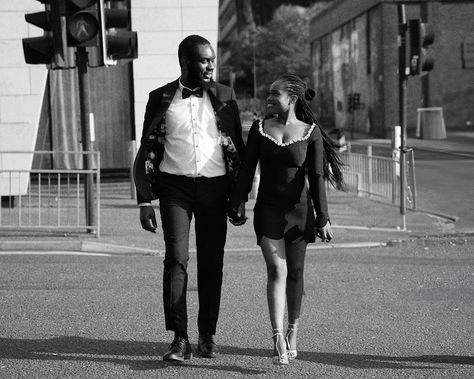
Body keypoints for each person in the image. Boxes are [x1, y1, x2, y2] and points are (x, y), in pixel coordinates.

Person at [133, 35, 245, 362]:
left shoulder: (225, 96)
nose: (211, 65)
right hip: (174, 189)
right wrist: (144, 199)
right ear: (185, 61)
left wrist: (239, 197)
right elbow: (147, 150)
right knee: (176, 258)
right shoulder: (160, 98)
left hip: (215, 188)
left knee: (212, 263)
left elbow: (236, 145)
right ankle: (179, 338)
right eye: (204, 60)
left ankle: (207, 335)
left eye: (212, 60)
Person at [228, 74, 344, 365]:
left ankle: (293, 328)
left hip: (299, 212)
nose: (268, 99)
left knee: (295, 273)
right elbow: (247, 168)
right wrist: (237, 201)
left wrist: (323, 217)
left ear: (291, 99)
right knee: (276, 271)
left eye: (273, 94)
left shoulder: (311, 132)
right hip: (267, 210)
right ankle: (277, 334)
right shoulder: (259, 129)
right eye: (268, 94)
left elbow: (317, 178)